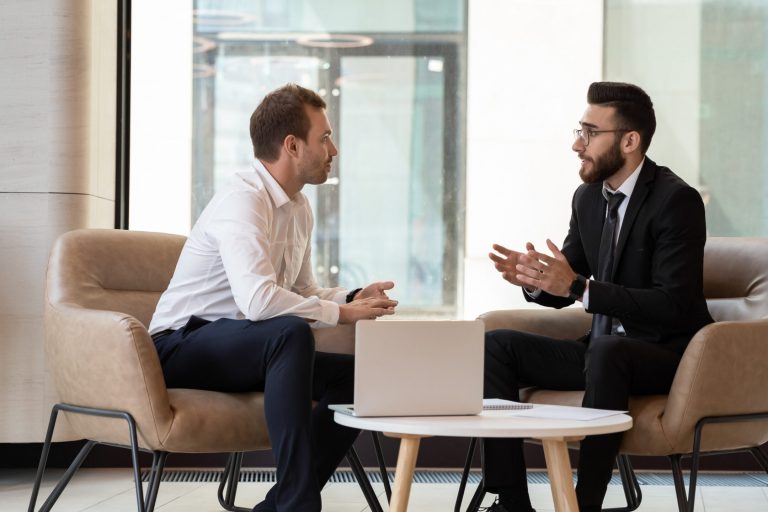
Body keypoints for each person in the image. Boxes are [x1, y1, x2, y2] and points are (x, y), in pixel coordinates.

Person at [148, 83, 398, 512]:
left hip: (245, 347)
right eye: (324, 137)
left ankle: (281, 503)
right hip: (179, 344)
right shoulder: (243, 200)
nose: (333, 149)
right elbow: (260, 303)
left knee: (359, 379)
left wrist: (355, 298)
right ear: (292, 145)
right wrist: (339, 312)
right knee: (290, 334)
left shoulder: (299, 206)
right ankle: (299, 505)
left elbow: (300, 291)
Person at [481, 81, 713, 512]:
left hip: (666, 354)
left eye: (589, 133)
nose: (576, 144)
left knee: (608, 350)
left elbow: (673, 305)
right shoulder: (588, 198)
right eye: (578, 130)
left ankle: (583, 504)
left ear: (629, 141)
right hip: (602, 350)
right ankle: (510, 499)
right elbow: (568, 280)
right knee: (496, 346)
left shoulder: (676, 201)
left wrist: (575, 286)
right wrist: (535, 280)